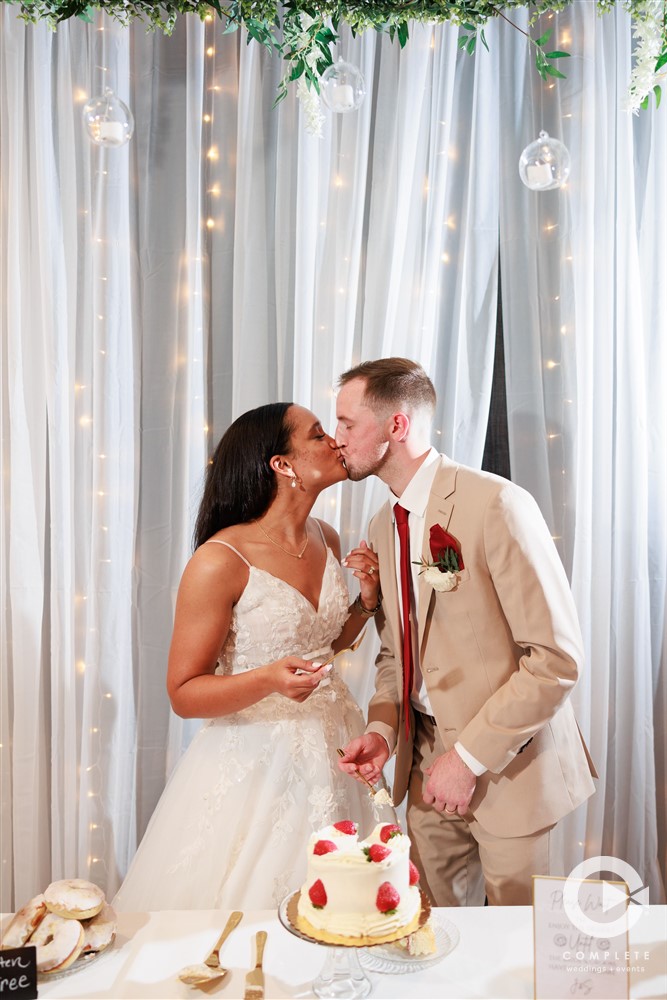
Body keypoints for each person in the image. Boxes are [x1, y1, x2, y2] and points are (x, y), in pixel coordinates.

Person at [336, 358, 596, 907]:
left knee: (520, 953)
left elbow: (555, 659)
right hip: (423, 770)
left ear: (396, 427)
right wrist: (384, 731)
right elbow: (394, 657)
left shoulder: (495, 503)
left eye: (347, 424)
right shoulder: (382, 527)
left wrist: (468, 758)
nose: (338, 440)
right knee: (438, 936)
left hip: (511, 771)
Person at [113, 402, 388, 912]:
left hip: (337, 741)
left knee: (349, 911)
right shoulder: (221, 559)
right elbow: (183, 692)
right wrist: (268, 680)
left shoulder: (324, 537)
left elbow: (322, 644)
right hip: (255, 761)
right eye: (318, 434)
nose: (335, 442)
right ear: (282, 465)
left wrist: (366, 601)